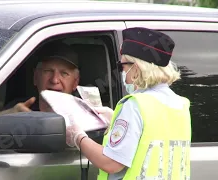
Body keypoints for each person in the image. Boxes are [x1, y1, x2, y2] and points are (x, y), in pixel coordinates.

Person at [65, 27, 192, 180]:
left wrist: (78, 137)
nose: (123, 76)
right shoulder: (181, 105)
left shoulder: (135, 105)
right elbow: (151, 139)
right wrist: (115, 119)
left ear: (136, 68)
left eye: (122, 66)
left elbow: (112, 163)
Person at [0, 41, 80, 115]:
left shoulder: (85, 115)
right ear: (35, 78)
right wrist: (6, 117)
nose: (54, 80)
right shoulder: (19, 108)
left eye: (64, 73)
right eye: (48, 71)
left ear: (75, 83)